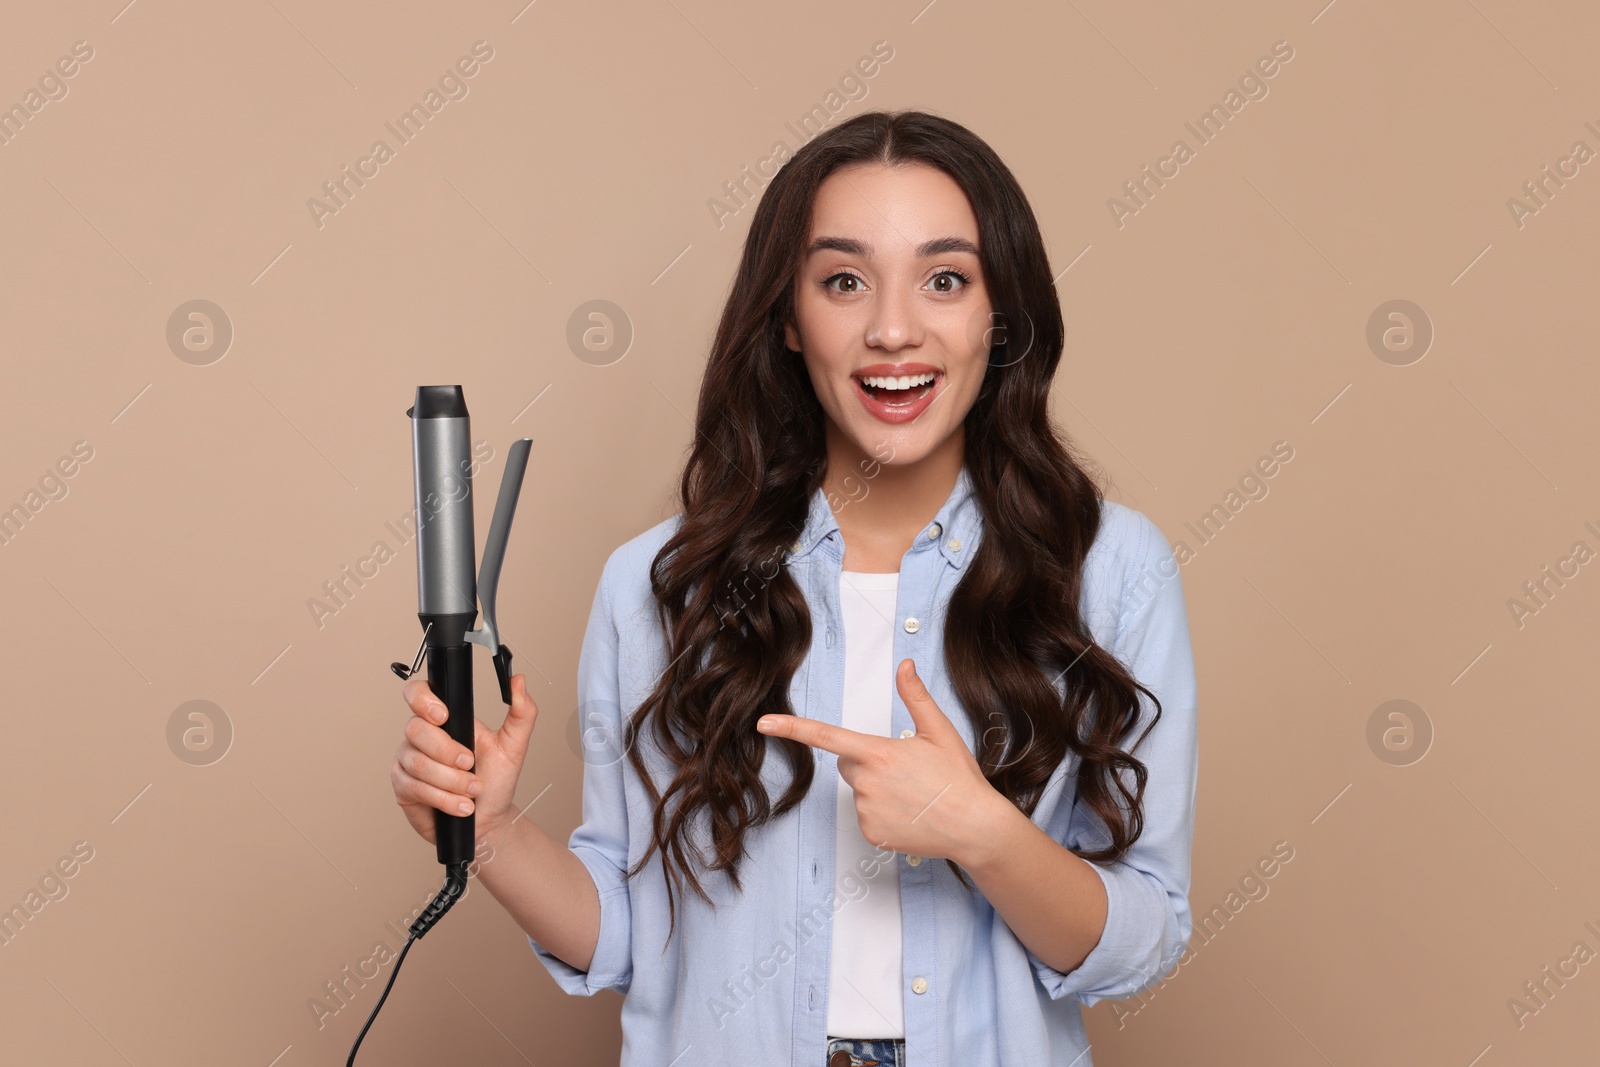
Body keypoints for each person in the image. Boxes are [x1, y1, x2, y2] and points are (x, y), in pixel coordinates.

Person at [390, 108, 1198, 1067]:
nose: (893, 329)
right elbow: (628, 939)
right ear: (786, 316)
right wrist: (491, 833)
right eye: (844, 281)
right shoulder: (661, 584)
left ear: (1002, 315)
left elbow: (1142, 939)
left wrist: (986, 834)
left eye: (946, 278)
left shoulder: (1112, 569)